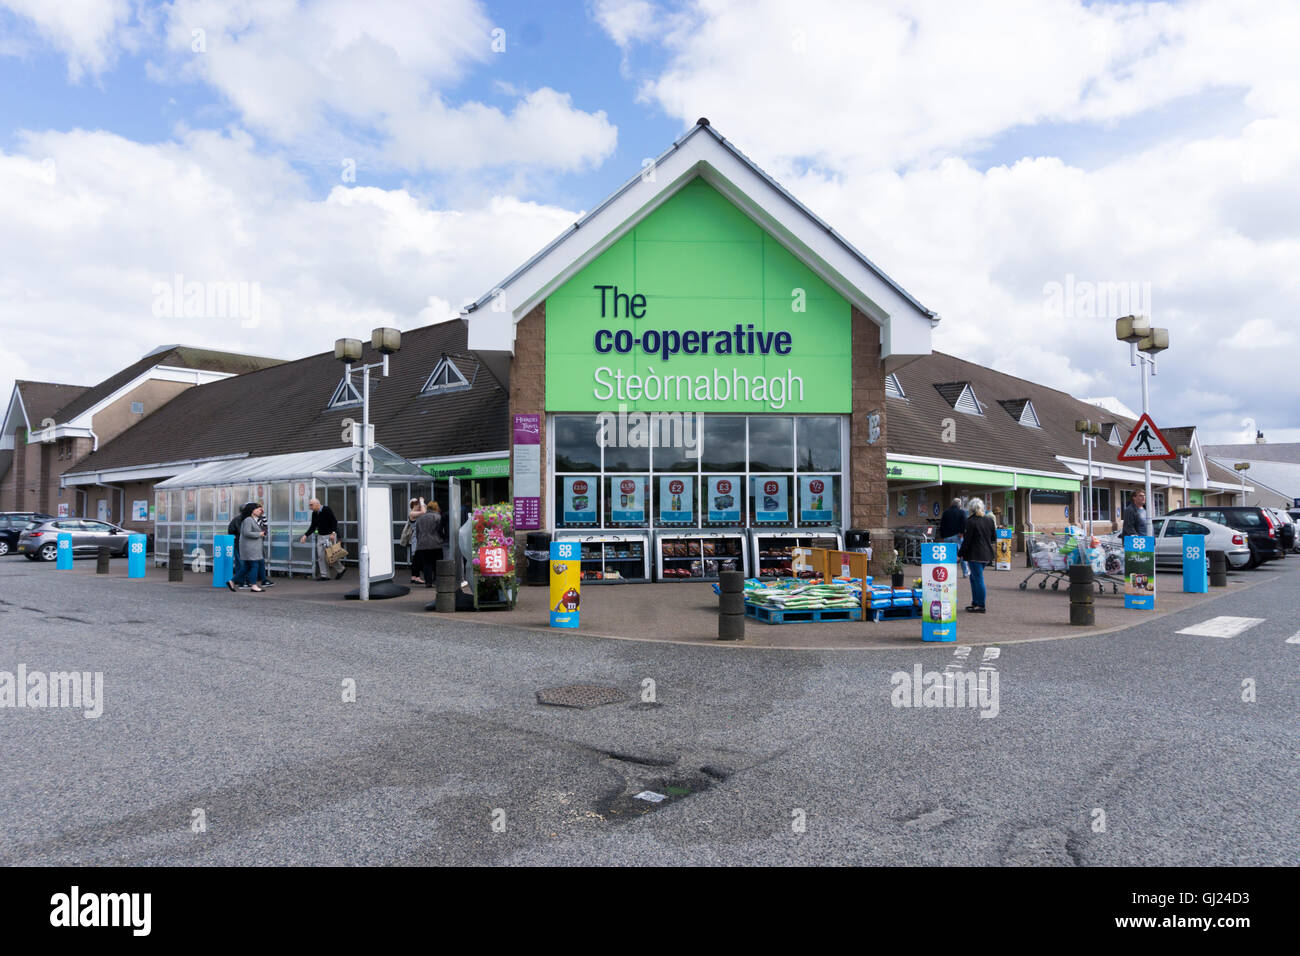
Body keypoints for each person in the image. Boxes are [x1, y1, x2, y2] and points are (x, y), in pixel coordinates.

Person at [958, 497, 996, 613]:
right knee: (974, 578)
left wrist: (960, 554)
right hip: (987, 554)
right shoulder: (989, 520)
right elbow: (994, 538)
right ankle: (975, 602)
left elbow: (967, 541)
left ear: (971, 509)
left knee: (978, 579)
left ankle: (980, 605)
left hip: (975, 554)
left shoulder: (970, 522)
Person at [299, 497, 344, 580]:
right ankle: (325, 575)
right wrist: (305, 535)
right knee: (320, 556)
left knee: (331, 555)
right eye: (309, 505)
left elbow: (334, 521)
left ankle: (341, 569)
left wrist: (333, 533)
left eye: (311, 505)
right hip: (320, 536)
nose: (310, 507)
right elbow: (313, 526)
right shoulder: (314, 513)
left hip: (329, 536)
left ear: (317, 504)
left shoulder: (326, 510)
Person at [228, 503, 266, 592]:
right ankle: (253, 585)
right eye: (257, 509)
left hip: (253, 547)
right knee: (254, 565)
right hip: (250, 547)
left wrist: (263, 514)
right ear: (251, 510)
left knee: (246, 567)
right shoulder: (248, 520)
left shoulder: (254, 519)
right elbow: (246, 532)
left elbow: (264, 523)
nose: (259, 511)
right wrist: (259, 534)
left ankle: (231, 581)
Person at [412, 501, 446, 589]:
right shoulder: (438, 517)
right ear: (436, 508)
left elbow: (418, 532)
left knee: (427, 564)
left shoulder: (420, 518)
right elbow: (440, 530)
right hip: (436, 544)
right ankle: (436, 581)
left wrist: (420, 541)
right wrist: (442, 539)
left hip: (422, 544)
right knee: (437, 564)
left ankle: (428, 582)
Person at [937, 497, 969, 578]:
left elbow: (942, 525)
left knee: (948, 555)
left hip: (947, 537)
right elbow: (965, 523)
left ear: (952, 504)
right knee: (962, 554)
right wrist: (962, 532)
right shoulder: (962, 512)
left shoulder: (945, 512)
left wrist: (942, 536)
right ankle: (965, 572)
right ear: (960, 505)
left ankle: (949, 573)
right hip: (957, 536)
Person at [401, 497, 427, 585]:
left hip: (418, 539)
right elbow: (424, 511)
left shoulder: (415, 513)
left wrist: (422, 504)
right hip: (416, 539)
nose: (419, 506)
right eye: (417, 505)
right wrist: (422, 501)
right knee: (417, 559)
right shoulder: (412, 513)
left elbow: (425, 510)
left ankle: (414, 577)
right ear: (413, 505)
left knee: (416, 559)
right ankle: (416, 577)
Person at [254, 506, 275, 588]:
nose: (261, 511)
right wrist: (259, 534)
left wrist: (263, 533)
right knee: (252, 563)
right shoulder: (249, 519)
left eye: (261, 509)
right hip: (252, 544)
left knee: (260, 560)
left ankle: (262, 579)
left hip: (259, 542)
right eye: (259, 509)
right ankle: (239, 580)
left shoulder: (262, 518)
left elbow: (265, 527)